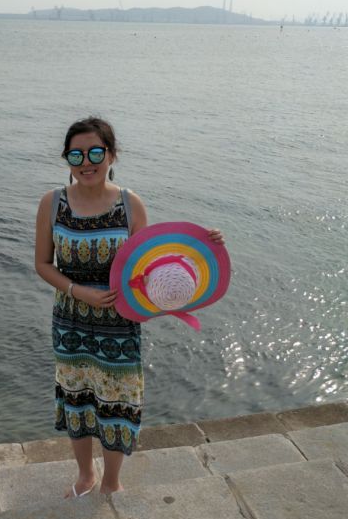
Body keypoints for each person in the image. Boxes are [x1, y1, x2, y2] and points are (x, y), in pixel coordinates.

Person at [34, 117, 224, 498]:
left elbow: (150, 266)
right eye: (76, 154)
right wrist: (79, 292)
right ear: (67, 159)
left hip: (120, 323)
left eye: (95, 152)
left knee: (117, 404)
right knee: (76, 400)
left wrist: (204, 244)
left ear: (112, 154)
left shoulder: (129, 204)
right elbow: (42, 264)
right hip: (71, 320)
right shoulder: (52, 203)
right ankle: (85, 476)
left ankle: (111, 481)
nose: (86, 162)